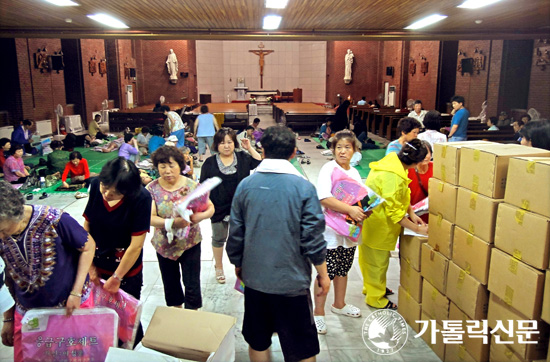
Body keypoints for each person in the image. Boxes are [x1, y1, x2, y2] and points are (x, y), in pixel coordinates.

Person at [226, 126, 329, 362]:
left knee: (259, 339)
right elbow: (313, 236)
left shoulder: (245, 186)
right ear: (293, 152)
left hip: (255, 279)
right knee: (301, 347)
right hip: (292, 282)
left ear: (262, 150)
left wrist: (238, 264)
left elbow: (236, 233)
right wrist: (322, 273)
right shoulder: (303, 187)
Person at [0, 180, 95, 362]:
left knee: (74, 356)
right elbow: (6, 276)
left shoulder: (54, 219)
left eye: (3, 230)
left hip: (68, 308)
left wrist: (75, 292)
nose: (1, 237)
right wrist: (8, 318)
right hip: (28, 313)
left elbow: (88, 247)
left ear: (16, 214)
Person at [83, 157, 152, 348]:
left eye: (114, 194)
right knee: (99, 318)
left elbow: (136, 245)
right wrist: (90, 266)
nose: (106, 194)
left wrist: (117, 277)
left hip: (125, 270)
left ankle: (129, 352)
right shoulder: (97, 185)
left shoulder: (141, 198)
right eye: (105, 188)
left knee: (127, 319)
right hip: (96, 264)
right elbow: (87, 227)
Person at [359, 139, 429, 310]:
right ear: (417, 162)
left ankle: (371, 287)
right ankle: (376, 298)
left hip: (373, 221)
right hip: (378, 224)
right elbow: (395, 213)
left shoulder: (393, 163)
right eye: (425, 159)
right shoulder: (393, 176)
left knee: (370, 259)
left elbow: (402, 194)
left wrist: (412, 213)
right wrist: (418, 229)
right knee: (377, 263)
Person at [146, 146, 214, 309]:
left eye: (171, 166)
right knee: (170, 283)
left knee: (192, 283)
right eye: (162, 167)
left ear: (180, 166)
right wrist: (172, 223)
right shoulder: (152, 189)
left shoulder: (192, 186)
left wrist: (200, 216)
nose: (167, 171)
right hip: (165, 245)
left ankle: (191, 316)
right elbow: (150, 218)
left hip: (190, 243)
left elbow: (210, 208)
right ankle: (176, 315)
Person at [314, 131, 367, 335]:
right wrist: (350, 210)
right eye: (339, 147)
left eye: (347, 147)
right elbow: (323, 197)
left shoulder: (353, 172)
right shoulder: (329, 168)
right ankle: (318, 313)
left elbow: (359, 198)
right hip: (329, 230)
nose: (343, 151)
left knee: (343, 268)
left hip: (348, 229)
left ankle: (339, 304)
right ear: (333, 149)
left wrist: (364, 210)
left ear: (354, 150)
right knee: (325, 272)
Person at [199, 128, 261, 284]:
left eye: (229, 142)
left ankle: (240, 268)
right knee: (219, 238)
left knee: (242, 239)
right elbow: (203, 187)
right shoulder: (210, 163)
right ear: (216, 145)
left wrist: (249, 147)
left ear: (234, 143)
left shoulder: (243, 157)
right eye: (222, 143)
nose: (226, 146)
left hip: (241, 208)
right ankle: (218, 267)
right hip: (218, 208)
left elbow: (259, 162)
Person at [407, 140, 433, 224]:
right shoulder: (408, 170)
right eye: (422, 153)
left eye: (427, 153)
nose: (425, 157)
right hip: (410, 215)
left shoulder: (436, 168)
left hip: (430, 214)